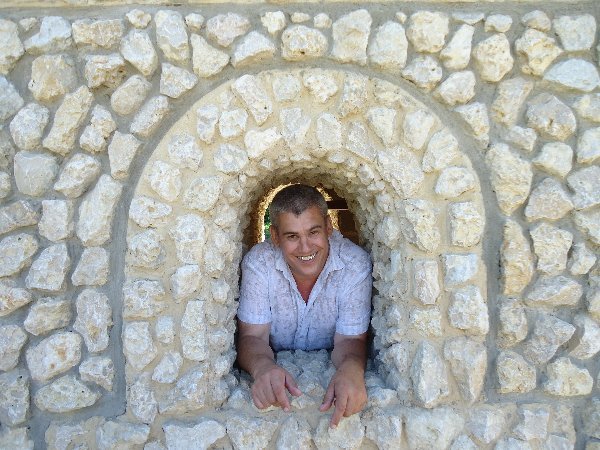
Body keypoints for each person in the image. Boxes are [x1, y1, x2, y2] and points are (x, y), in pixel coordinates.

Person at [236, 184, 372, 428]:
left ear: (329, 227)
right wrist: (262, 367)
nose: (306, 247)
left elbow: (350, 340)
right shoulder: (259, 263)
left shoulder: (354, 264)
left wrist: (352, 369)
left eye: (313, 232)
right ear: (275, 236)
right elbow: (252, 337)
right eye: (292, 236)